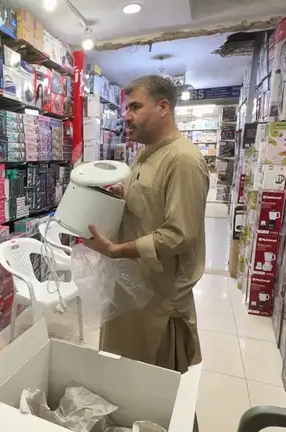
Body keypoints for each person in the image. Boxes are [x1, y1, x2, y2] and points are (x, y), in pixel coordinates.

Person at [84, 75, 207, 374]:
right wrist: (123, 193)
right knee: (122, 374)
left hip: (157, 301)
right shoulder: (144, 153)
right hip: (130, 290)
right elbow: (150, 203)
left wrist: (115, 250)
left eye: (136, 107)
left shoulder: (183, 160)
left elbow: (179, 235)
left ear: (163, 107)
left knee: (153, 385)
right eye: (127, 108)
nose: (126, 116)